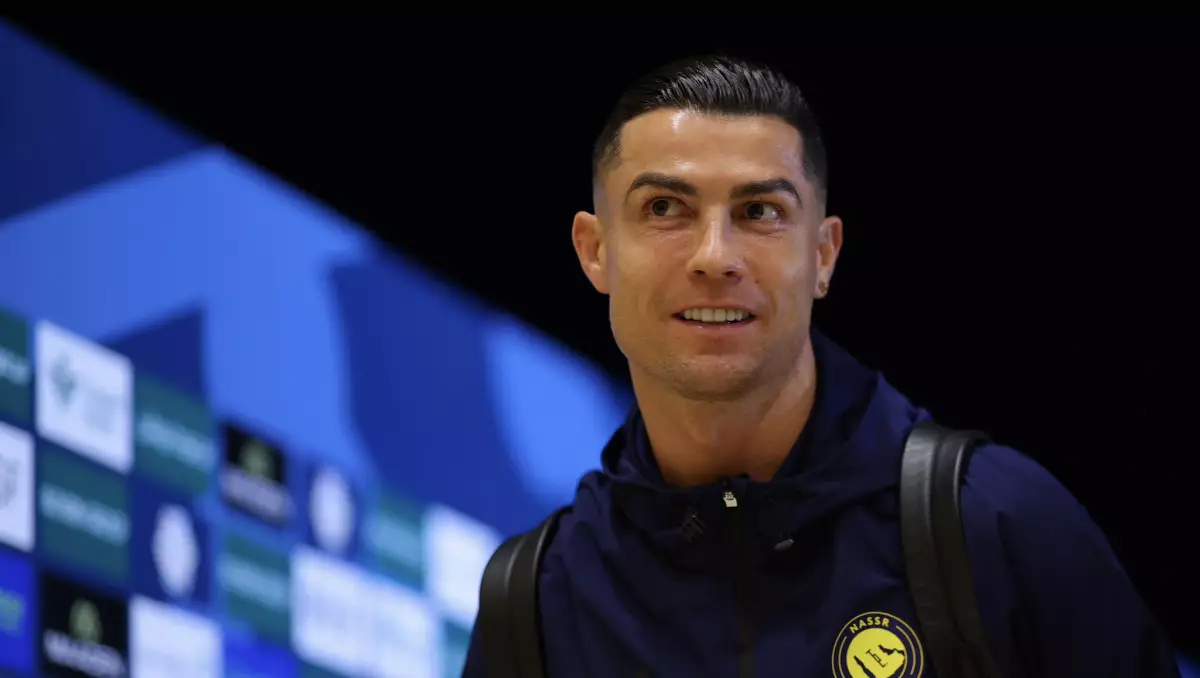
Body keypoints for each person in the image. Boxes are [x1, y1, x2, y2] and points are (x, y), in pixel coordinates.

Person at [462, 54, 1180, 677]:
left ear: (824, 255)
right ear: (595, 251)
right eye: (664, 207)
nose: (715, 256)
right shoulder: (535, 603)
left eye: (760, 212)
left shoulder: (994, 524)